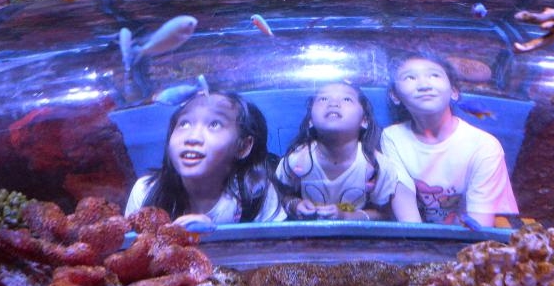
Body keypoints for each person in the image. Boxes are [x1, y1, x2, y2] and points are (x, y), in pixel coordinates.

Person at [382, 52, 518, 226]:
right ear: (395, 96)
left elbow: (479, 225)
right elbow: (407, 216)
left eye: (434, 75)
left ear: (454, 91)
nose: (424, 85)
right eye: (410, 78)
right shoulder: (392, 137)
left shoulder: (485, 146)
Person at [124, 90, 285, 228]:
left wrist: (213, 238)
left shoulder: (257, 193)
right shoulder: (145, 191)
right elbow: (129, 251)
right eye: (184, 123)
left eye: (214, 124)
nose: (193, 137)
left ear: (243, 146)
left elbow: (277, 251)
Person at [276, 82, 420, 222]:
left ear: (364, 120)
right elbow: (279, 195)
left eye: (346, 99)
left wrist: (347, 217)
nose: (333, 103)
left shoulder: (377, 167)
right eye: (323, 99)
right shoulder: (296, 160)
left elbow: (384, 214)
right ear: (310, 121)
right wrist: (294, 205)